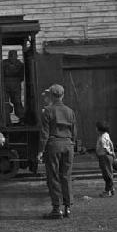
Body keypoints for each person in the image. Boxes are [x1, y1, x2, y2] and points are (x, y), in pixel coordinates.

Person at [37, 84, 76, 219]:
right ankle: (68, 207)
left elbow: (44, 133)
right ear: (63, 95)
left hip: (53, 145)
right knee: (66, 176)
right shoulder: (70, 111)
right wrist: (72, 144)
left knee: (53, 177)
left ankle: (56, 209)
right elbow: (74, 132)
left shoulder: (47, 110)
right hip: (68, 144)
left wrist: (41, 150)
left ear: (51, 96)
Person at [2, 50, 25, 123]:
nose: (12, 57)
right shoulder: (20, 64)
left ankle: (17, 119)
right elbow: (22, 77)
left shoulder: (4, 63)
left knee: (14, 102)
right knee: (12, 102)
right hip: (12, 84)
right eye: (11, 55)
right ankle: (18, 119)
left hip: (9, 84)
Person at [95, 121, 115, 197]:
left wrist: (110, 153)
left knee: (107, 174)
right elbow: (111, 144)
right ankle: (111, 188)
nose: (95, 128)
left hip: (104, 157)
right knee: (108, 173)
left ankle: (108, 191)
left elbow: (105, 147)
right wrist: (113, 154)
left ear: (99, 129)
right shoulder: (106, 135)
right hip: (106, 157)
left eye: (96, 127)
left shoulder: (103, 137)